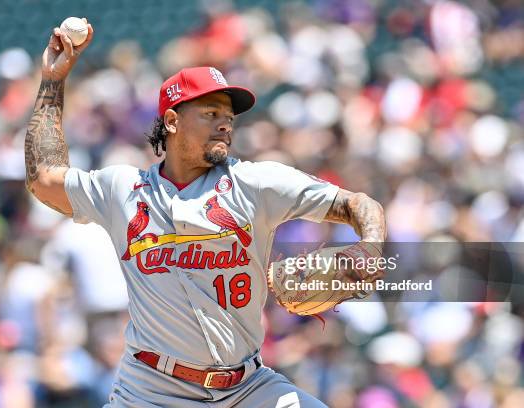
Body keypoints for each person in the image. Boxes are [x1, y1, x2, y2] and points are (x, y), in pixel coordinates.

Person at [24, 20, 386, 408]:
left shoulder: (256, 183)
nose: (225, 123)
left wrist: (371, 246)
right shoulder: (122, 190)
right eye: (211, 112)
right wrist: (52, 80)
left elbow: (358, 204)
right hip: (151, 390)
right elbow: (43, 178)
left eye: (228, 115)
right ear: (172, 121)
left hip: (247, 387)